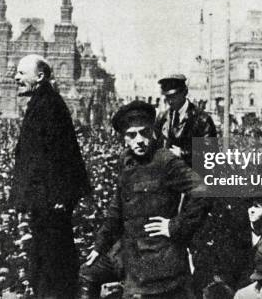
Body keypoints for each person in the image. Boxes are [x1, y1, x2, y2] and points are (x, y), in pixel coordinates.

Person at [82, 100, 209, 298]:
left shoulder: (165, 160)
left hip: (159, 258)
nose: (139, 140)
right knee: (87, 273)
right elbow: (117, 208)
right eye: (131, 135)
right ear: (124, 139)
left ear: (153, 132)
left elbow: (203, 189)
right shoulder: (127, 162)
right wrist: (100, 246)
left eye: (144, 132)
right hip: (129, 253)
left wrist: (176, 226)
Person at [10, 54, 91, 298]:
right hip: (45, 202)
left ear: (41, 76)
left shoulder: (48, 105)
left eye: (22, 73)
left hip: (50, 203)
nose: (16, 78)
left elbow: (60, 155)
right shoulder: (43, 103)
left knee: (52, 268)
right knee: (45, 266)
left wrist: (59, 197)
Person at [154, 74, 217, 164]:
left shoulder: (202, 120)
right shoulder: (162, 117)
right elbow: (154, 145)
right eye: (167, 97)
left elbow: (211, 154)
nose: (170, 101)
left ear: (185, 92)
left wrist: (184, 154)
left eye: (174, 96)